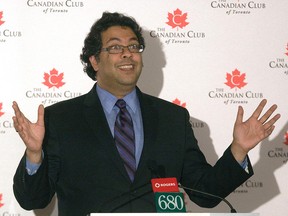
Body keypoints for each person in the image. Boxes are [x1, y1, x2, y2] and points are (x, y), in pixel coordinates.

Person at [12, 12, 280, 216]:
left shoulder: (173, 118)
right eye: (115, 47)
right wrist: (35, 155)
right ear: (94, 60)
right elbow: (33, 201)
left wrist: (238, 151)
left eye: (134, 46)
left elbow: (205, 194)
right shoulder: (60, 119)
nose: (127, 54)